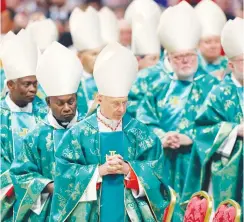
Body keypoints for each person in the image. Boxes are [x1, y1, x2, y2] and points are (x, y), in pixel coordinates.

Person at [51, 42, 171, 221]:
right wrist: (98, 172)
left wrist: (130, 170)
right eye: (115, 103)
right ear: (99, 98)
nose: (121, 109)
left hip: (130, 213)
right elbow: (64, 175)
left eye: (124, 102)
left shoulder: (139, 132)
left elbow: (157, 170)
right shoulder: (78, 134)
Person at [136, 2, 219, 220]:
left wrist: (191, 138)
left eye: (189, 56)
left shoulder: (212, 86)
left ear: (196, 54)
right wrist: (161, 137)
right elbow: (143, 121)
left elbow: (219, 123)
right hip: (164, 161)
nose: (185, 61)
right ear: (169, 59)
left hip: (199, 163)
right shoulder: (157, 86)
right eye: (179, 57)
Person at [10, 41, 83, 221]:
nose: (67, 108)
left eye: (71, 102)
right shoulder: (36, 136)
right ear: (48, 103)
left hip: (85, 208)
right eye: (60, 103)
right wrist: (48, 185)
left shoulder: (88, 131)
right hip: (48, 210)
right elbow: (21, 174)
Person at [182, 17, 243, 212]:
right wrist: (234, 130)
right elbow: (201, 129)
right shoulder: (219, 92)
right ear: (231, 65)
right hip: (230, 167)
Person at [0, 29, 47, 222]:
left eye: (35, 84)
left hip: (45, 195)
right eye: (26, 84)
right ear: (10, 85)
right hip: (7, 195)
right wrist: (24, 184)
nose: (33, 89)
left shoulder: (45, 112)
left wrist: (41, 184)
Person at [69, 6, 104, 109]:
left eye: (99, 53)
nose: (98, 58)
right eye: (93, 54)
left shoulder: (106, 78)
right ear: (79, 56)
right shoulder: (73, 82)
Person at [195, 0, 228, 80]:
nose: (213, 46)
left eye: (217, 41)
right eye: (208, 42)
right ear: (198, 44)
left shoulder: (229, 66)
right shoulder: (190, 66)